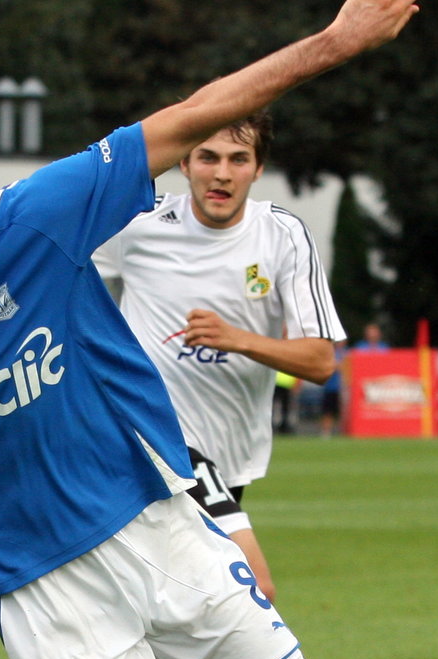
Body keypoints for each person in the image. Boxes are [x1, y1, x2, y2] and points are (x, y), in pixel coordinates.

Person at [0, 2, 419, 659]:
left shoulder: (39, 213)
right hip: (43, 587)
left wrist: (337, 42)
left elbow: (193, 112)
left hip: (156, 514)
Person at [93, 112, 345, 604]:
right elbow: (53, 260)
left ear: (258, 167)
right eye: (208, 157)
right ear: (184, 163)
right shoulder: (138, 227)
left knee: (188, 604)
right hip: (157, 438)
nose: (222, 173)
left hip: (233, 454)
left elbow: (320, 361)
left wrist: (238, 338)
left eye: (238, 159)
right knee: (252, 588)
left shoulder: (283, 236)